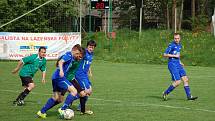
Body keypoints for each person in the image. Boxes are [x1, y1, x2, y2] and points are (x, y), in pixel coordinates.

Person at [36, 44, 85, 119]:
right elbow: (61, 61)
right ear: (73, 50)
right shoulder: (69, 55)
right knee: (74, 91)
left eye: (79, 54)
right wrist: (61, 70)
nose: (77, 55)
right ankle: (62, 109)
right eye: (77, 53)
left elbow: (60, 60)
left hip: (55, 77)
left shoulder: (70, 56)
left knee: (58, 99)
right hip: (60, 77)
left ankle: (41, 112)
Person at [58, 40, 96, 115]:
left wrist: (89, 71)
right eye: (90, 47)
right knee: (87, 91)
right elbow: (76, 56)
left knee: (89, 91)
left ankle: (77, 104)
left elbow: (88, 64)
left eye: (92, 47)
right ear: (87, 46)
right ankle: (72, 104)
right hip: (80, 74)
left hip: (84, 74)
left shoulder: (91, 54)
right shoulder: (84, 53)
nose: (91, 49)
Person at [162, 33, 198, 101]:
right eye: (175, 38)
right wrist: (174, 56)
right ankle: (165, 93)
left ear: (180, 38)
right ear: (173, 38)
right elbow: (165, 54)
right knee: (178, 82)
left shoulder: (180, 45)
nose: (176, 40)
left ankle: (189, 96)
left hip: (178, 64)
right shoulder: (171, 45)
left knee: (185, 79)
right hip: (172, 64)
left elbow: (178, 55)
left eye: (178, 38)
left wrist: (180, 62)